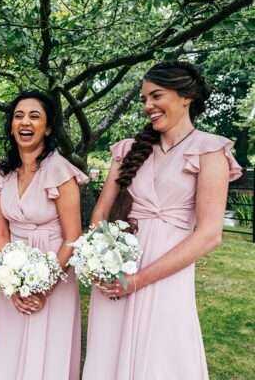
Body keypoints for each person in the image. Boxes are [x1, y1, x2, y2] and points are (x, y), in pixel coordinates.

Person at [82, 60, 242, 380]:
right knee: (108, 356)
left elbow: (210, 234)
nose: (148, 106)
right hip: (118, 272)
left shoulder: (210, 150)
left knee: (160, 359)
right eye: (144, 99)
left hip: (168, 275)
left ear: (186, 97)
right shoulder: (128, 150)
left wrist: (138, 280)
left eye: (156, 96)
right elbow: (100, 215)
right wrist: (104, 264)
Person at [0, 91, 86, 380]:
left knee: (49, 356)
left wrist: (43, 287)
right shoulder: (4, 174)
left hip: (54, 273)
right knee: (14, 350)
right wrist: (12, 281)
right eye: (19, 116)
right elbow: (2, 233)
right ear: (11, 126)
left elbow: (73, 237)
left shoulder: (60, 171)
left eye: (34, 116)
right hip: (14, 276)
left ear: (47, 128)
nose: (25, 122)